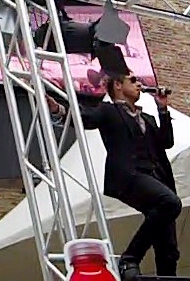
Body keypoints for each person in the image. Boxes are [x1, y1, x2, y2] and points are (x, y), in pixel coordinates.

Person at [46, 71, 181, 280]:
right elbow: (86, 118)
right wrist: (58, 109)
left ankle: (165, 275)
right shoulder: (109, 111)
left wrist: (162, 109)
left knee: (168, 244)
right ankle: (130, 258)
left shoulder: (147, 118)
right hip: (129, 176)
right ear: (118, 85)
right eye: (133, 80)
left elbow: (167, 142)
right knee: (170, 202)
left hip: (156, 178)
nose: (139, 84)